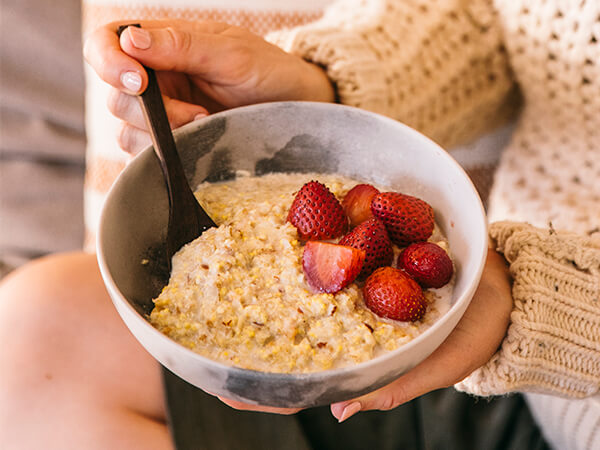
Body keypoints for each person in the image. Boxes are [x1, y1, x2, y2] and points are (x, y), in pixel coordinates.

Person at [1, 0, 598, 449]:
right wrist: (323, 87)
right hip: (462, 309)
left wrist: (538, 298)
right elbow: (513, 25)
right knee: (34, 334)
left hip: (574, 378)